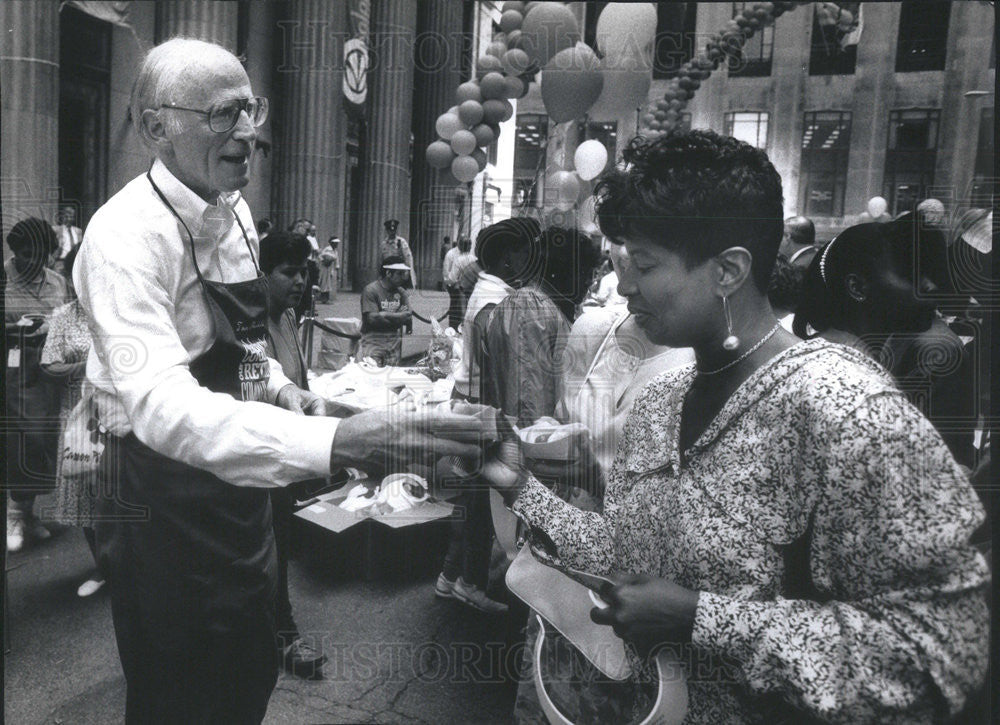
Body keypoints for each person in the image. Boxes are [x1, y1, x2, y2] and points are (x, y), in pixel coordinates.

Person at [480, 131, 988, 723]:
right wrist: (519, 487)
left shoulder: (848, 410)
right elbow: (627, 554)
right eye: (622, 263)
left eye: (644, 264)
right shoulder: (659, 402)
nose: (624, 286)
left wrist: (702, 617)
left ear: (728, 271)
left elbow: (942, 647)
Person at [73, 38, 484, 723]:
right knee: (181, 691)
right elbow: (163, 408)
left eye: (250, 110)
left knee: (248, 667)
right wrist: (338, 440)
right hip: (162, 496)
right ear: (155, 127)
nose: (249, 135)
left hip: (239, 493)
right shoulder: (121, 239)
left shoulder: (231, 208)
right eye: (222, 115)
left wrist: (289, 392)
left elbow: (245, 338)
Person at [794, 214, 978, 469]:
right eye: (911, 274)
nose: (931, 285)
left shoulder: (824, 356)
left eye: (928, 271)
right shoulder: (845, 378)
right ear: (857, 288)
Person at [259, 230, 329, 678]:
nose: (300, 280)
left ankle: (272, 631)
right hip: (260, 457)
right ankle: (283, 636)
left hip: (287, 455)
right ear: (260, 276)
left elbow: (296, 378)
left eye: (303, 271)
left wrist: (310, 398)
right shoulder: (245, 327)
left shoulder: (286, 317)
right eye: (288, 272)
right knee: (271, 550)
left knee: (280, 546)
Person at [39, 247, 111, 596]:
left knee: (117, 492)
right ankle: (102, 567)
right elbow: (48, 364)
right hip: (77, 414)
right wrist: (85, 367)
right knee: (83, 490)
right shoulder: (63, 316)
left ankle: (123, 564)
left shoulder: (117, 312)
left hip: (115, 413)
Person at [481, 226, 602, 427]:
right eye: (584, 272)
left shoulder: (548, 305)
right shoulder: (529, 306)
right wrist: (542, 446)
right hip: (530, 445)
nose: (589, 281)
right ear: (561, 271)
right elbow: (528, 401)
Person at [5, 218, 69, 552]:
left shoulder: (57, 281)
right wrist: (14, 328)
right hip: (12, 369)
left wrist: (52, 327)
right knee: (21, 438)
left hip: (47, 370)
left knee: (43, 438)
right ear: (14, 251)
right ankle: (14, 513)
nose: (35, 261)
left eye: (42, 254)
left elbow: (67, 318)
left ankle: (28, 513)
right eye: (27, 254)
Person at [453, 218, 538, 403]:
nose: (532, 261)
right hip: (479, 400)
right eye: (526, 254)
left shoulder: (495, 290)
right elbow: (499, 367)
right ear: (507, 257)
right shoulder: (493, 300)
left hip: (476, 395)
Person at [359, 255, 413, 367]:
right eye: (399, 274)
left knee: (391, 378)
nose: (403, 277)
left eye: (404, 274)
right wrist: (398, 316)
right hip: (373, 342)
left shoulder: (401, 292)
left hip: (394, 343)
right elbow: (372, 318)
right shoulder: (371, 290)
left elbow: (408, 315)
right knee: (371, 375)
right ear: (388, 273)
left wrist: (384, 315)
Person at [379, 218, 416, 288]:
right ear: (387, 231)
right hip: (387, 272)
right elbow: (381, 260)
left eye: (394, 230)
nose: (392, 232)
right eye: (390, 230)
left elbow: (408, 257)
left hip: (398, 272)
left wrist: (407, 272)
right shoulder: (383, 244)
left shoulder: (401, 242)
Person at [53, 205, 83, 277]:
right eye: (66, 216)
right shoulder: (56, 230)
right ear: (62, 217)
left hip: (75, 264)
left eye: (71, 217)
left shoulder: (78, 231)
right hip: (60, 264)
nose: (69, 219)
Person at [442, 237, 463, 328]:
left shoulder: (468, 254)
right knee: (455, 308)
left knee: (462, 310)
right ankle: (453, 328)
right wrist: (451, 283)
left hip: (464, 286)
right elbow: (446, 270)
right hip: (454, 286)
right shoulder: (451, 254)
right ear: (458, 241)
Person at [317, 235, 341, 303]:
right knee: (324, 283)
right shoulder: (327, 249)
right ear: (332, 243)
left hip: (331, 269)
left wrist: (337, 268)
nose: (336, 244)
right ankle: (324, 299)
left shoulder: (335, 251)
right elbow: (320, 256)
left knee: (329, 283)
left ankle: (327, 298)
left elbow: (337, 261)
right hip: (325, 268)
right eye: (335, 243)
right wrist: (324, 261)